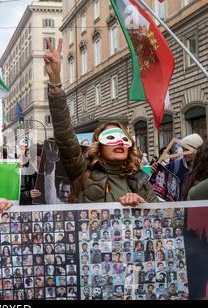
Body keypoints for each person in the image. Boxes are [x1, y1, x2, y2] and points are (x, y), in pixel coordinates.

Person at [43, 38, 157, 205]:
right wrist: (55, 82)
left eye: (123, 138)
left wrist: (142, 205)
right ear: (99, 146)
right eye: (110, 137)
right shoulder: (82, 171)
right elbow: (65, 135)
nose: (119, 142)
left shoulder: (140, 180)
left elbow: (160, 219)